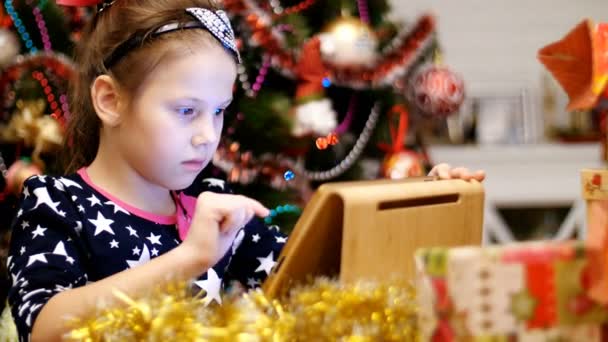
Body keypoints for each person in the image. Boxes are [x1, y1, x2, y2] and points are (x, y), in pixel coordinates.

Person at [6, 0, 485, 340]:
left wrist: (421, 207)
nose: (206, 135)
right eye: (185, 110)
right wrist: (189, 258)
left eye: (218, 112)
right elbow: (45, 326)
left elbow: (322, 287)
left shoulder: (213, 205)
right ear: (110, 100)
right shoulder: (55, 202)